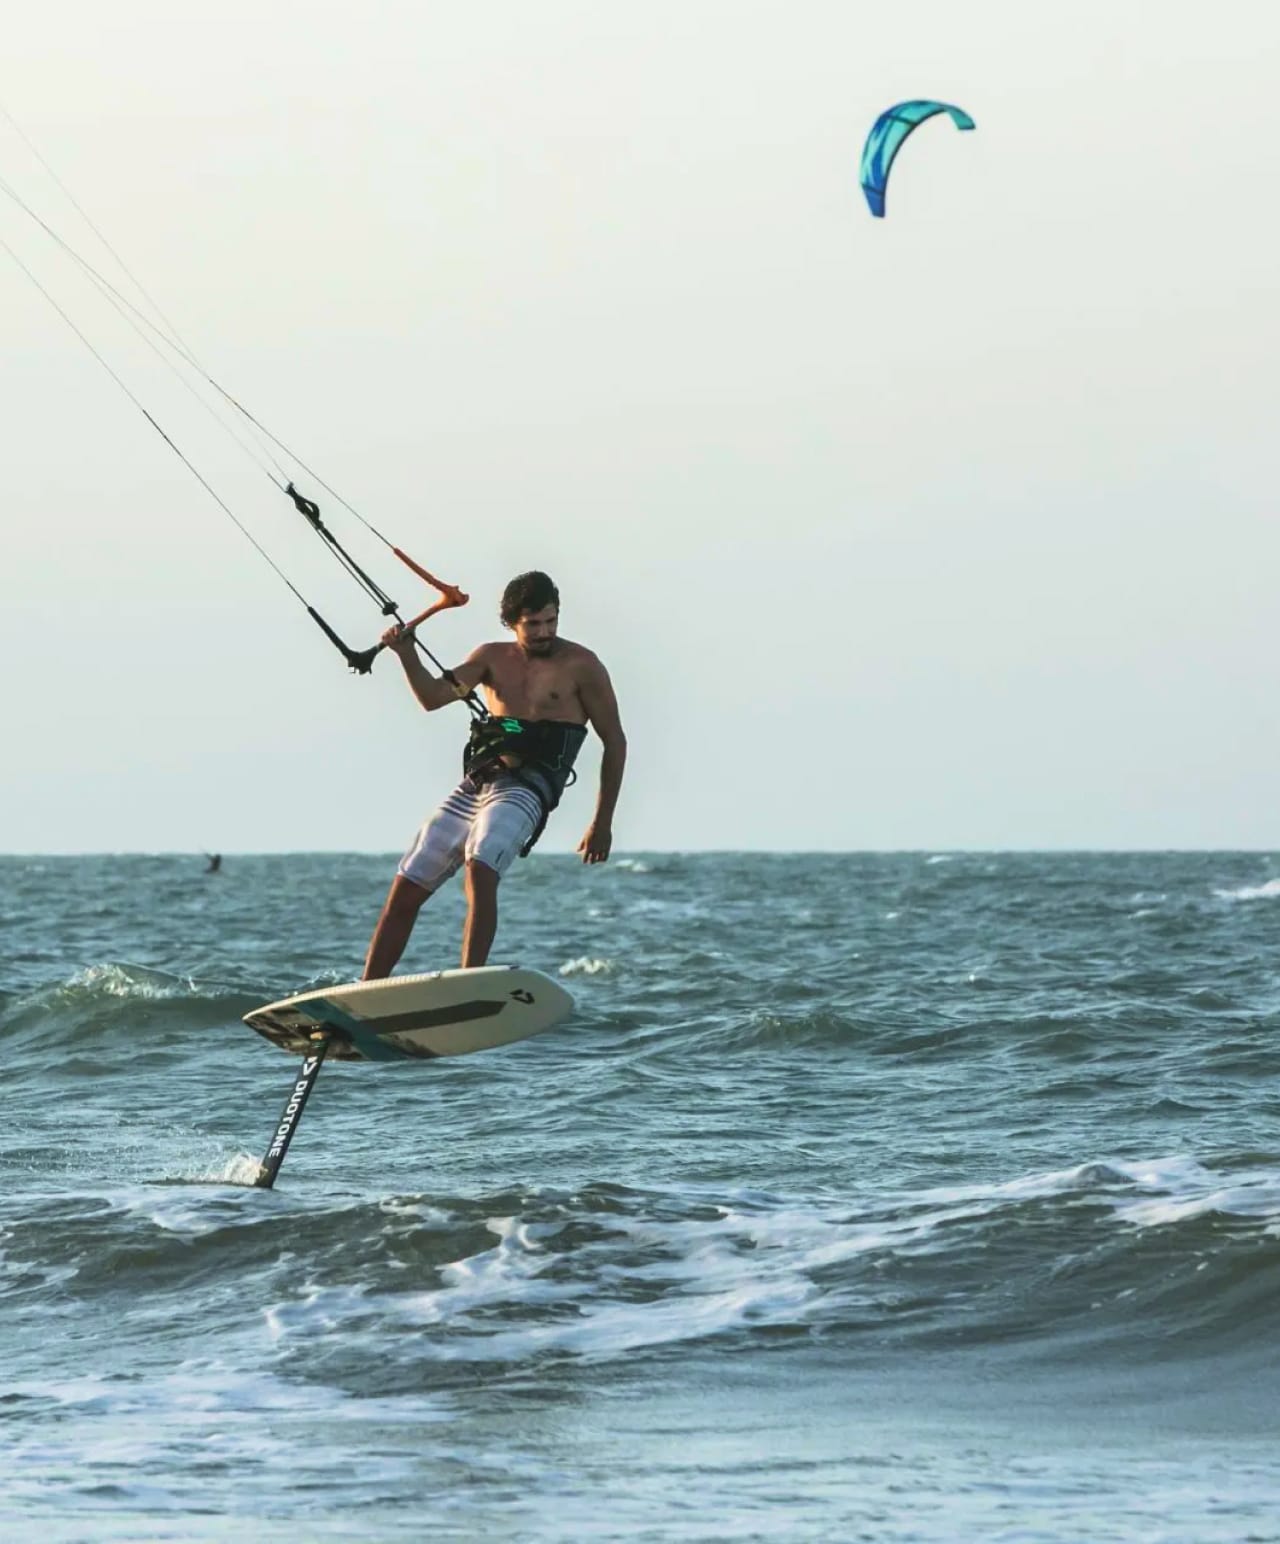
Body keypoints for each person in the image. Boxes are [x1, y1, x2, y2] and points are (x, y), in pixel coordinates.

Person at [362, 570, 626, 979]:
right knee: (409, 878)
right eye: (533, 624)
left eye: (550, 621)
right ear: (511, 622)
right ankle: (368, 990)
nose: (544, 632)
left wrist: (602, 823)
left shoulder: (581, 665)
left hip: (529, 788)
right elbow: (433, 698)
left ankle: (469, 981)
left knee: (481, 862)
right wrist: (406, 654)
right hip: (479, 782)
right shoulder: (490, 658)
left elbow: (615, 742)